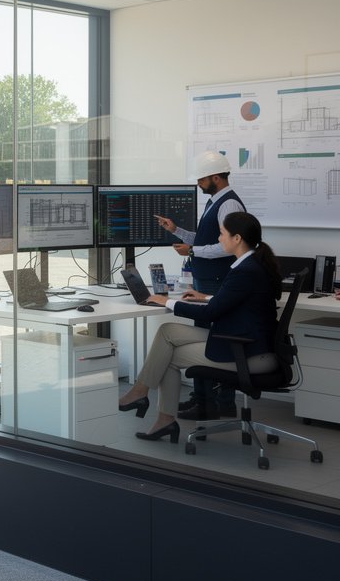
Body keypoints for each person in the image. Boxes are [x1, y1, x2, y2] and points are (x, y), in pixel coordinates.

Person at [117, 211, 280, 444]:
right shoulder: (252, 265)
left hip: (247, 352)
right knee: (168, 332)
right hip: (246, 340)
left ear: (237, 238)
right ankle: (143, 395)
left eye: (222, 234)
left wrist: (168, 302)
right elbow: (234, 301)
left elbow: (211, 314)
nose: (218, 239)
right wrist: (205, 296)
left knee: (169, 356)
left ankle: (156, 411)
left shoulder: (245, 271)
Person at [153, 150, 247, 419]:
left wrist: (192, 252)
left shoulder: (229, 205)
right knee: (209, 339)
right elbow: (205, 238)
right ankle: (205, 398)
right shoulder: (215, 201)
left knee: (212, 343)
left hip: (217, 282)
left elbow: (227, 247)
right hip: (207, 280)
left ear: (216, 177)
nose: (198, 183)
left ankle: (213, 403)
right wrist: (177, 231)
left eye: (202, 178)